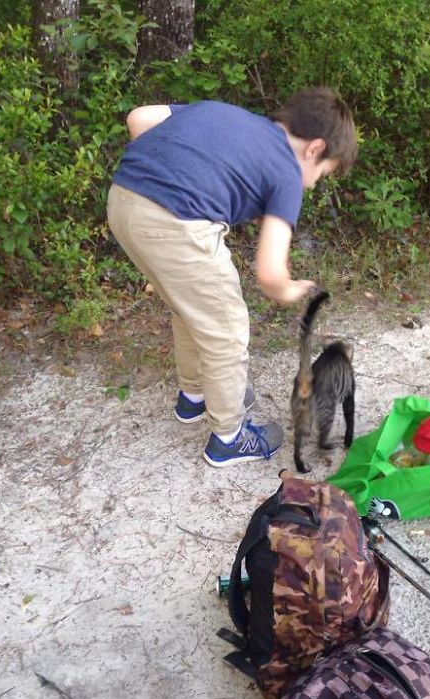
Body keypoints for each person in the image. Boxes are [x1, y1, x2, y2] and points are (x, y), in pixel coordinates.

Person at [107, 87, 357, 466]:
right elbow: (270, 275)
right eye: (321, 174)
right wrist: (291, 290)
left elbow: (139, 118)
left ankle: (194, 397)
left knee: (188, 306)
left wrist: (167, 174)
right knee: (226, 328)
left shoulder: (226, 114)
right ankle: (229, 437)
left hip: (124, 201)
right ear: (314, 149)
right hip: (178, 225)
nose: (311, 184)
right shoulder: (288, 172)